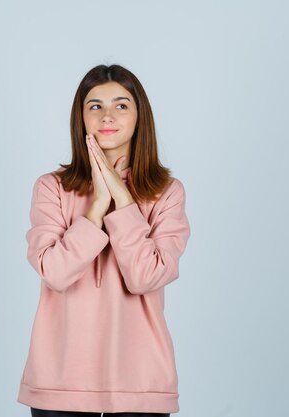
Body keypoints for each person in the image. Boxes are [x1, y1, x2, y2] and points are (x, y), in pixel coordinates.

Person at [17, 64, 191, 417]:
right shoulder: (51, 188)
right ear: (80, 117)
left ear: (140, 116)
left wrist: (123, 202)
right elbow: (54, 272)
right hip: (59, 378)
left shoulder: (166, 193)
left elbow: (146, 277)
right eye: (95, 105)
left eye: (121, 105)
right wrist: (97, 206)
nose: (107, 115)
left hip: (140, 381)